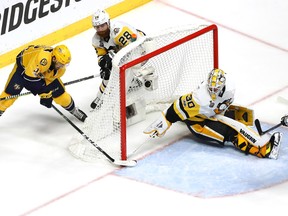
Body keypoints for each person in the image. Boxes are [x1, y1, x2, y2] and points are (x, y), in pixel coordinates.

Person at [144, 68, 288, 159]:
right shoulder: (200, 98)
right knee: (231, 132)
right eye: (211, 88)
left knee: (242, 116)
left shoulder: (230, 86)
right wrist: (166, 119)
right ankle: (264, 150)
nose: (213, 92)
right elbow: (178, 106)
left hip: (211, 113)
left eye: (216, 89)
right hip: (199, 123)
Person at [0, 44, 87, 122]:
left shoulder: (60, 69)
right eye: (60, 64)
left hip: (41, 71)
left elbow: (48, 82)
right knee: (9, 95)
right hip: (24, 68)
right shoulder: (43, 59)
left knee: (60, 93)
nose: (62, 67)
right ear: (54, 58)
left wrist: (47, 94)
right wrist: (44, 93)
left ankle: (74, 110)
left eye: (64, 65)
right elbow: (29, 78)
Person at [90, 9, 146, 109]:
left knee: (126, 69)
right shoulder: (96, 40)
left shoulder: (118, 30)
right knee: (107, 72)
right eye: (97, 27)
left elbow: (133, 47)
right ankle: (100, 97)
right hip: (121, 51)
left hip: (141, 48)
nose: (100, 29)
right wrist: (104, 65)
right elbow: (101, 56)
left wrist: (112, 56)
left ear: (108, 22)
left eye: (102, 25)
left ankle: (133, 80)